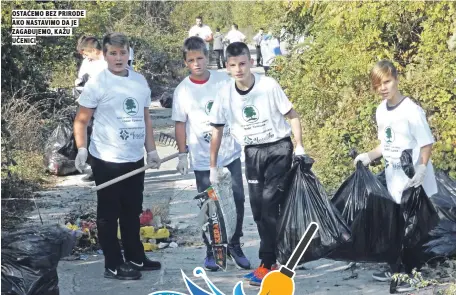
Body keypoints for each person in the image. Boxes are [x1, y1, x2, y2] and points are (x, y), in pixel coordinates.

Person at [209, 42, 306, 286]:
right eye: (233, 65)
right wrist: (212, 166)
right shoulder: (225, 93)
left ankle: (267, 263)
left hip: (278, 148)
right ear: (227, 67)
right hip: (252, 152)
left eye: (242, 63)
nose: (239, 69)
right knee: (259, 210)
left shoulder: (268, 85)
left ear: (251, 62)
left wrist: (300, 144)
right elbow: (216, 130)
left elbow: (292, 115)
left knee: (270, 203)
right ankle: (279, 255)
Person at [73, 32, 162, 280]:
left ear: (129, 53)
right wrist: (82, 149)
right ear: (105, 55)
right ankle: (113, 263)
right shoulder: (97, 83)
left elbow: (145, 118)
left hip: (133, 158)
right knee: (108, 214)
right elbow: (81, 121)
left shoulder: (139, 81)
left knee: (132, 211)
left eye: (123, 53)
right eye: (113, 53)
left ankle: (135, 256)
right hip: (106, 159)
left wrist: (151, 150)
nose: (119, 58)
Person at [354, 60, 437, 293]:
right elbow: (385, 144)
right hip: (394, 177)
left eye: (387, 81)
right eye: (378, 84)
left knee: (411, 228)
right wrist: (369, 156)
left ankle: (410, 275)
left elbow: (426, 143)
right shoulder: (381, 110)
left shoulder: (411, 110)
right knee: (398, 226)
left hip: (413, 178)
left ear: (396, 79)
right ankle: (397, 267)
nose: (383, 87)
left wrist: (421, 168)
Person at [172, 36, 251, 272]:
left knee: (237, 200)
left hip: (229, 154)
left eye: (200, 58)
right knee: (210, 205)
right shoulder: (182, 90)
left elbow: (238, 104)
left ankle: (235, 245)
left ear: (208, 57)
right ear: (185, 62)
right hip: (202, 160)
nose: (196, 63)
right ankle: (213, 249)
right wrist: (182, 154)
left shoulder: (222, 80)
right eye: (191, 60)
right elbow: (179, 124)